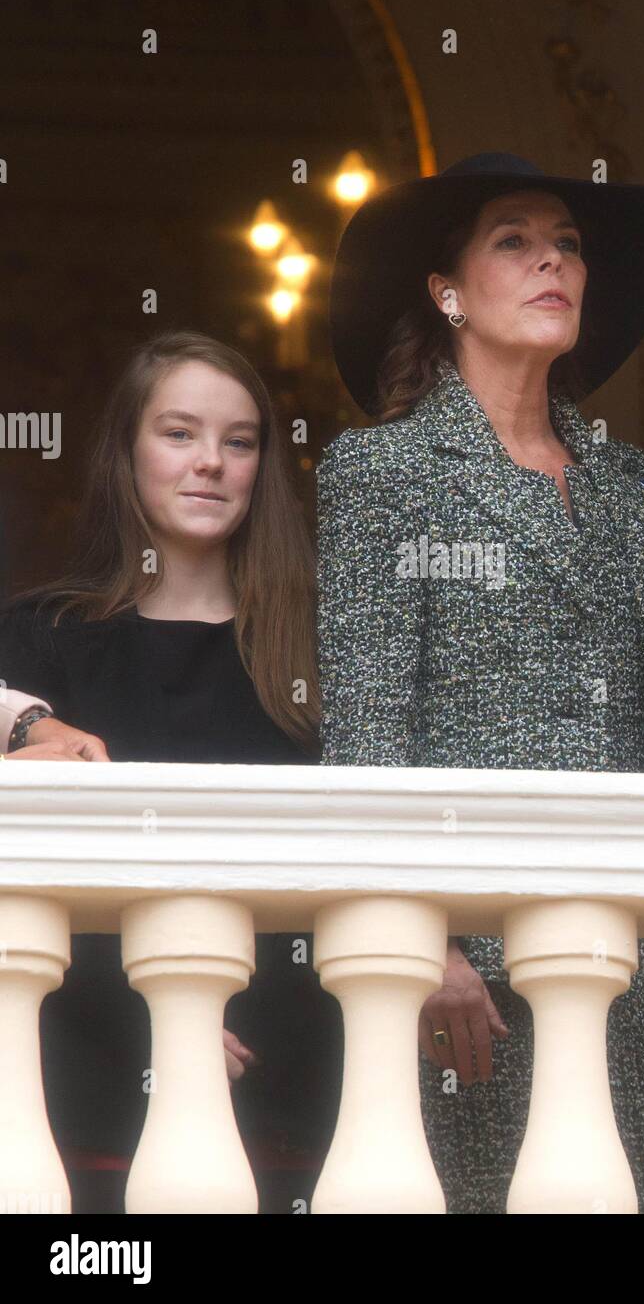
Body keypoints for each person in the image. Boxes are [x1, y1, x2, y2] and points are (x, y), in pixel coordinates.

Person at [317, 151, 644, 1213]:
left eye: (568, 245)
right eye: (513, 239)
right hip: (480, 989)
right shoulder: (380, 477)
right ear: (445, 292)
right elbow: (367, 732)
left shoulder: (632, 482)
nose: (553, 259)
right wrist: (423, 940)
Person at [0, 330, 341, 1212]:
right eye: (179, 433)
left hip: (295, 1078)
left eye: (240, 440)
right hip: (93, 1079)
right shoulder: (46, 635)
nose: (212, 464)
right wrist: (25, 720)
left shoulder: (319, 644)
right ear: (128, 451)